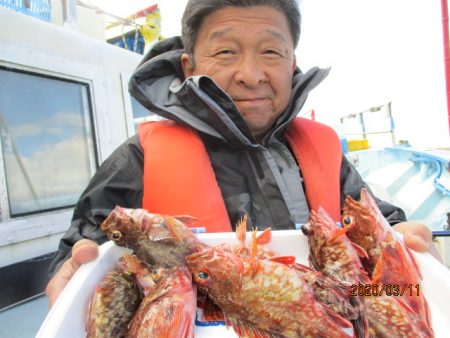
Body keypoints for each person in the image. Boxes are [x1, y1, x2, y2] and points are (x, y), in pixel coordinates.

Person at [46, 0, 441, 307]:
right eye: (226, 53)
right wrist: (72, 273)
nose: (251, 74)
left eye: (271, 52)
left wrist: (404, 244)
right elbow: (82, 259)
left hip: (333, 315)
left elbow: (380, 239)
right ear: (189, 66)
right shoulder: (137, 159)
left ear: (292, 64)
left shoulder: (326, 152)